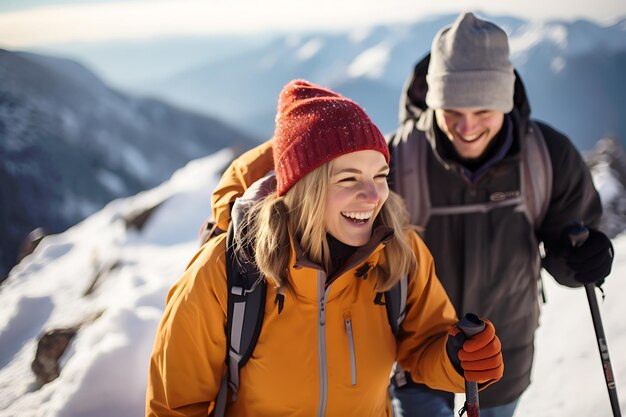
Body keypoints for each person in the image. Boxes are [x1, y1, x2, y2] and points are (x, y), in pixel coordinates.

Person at [204, 13, 614, 417]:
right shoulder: (396, 159)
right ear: (433, 100)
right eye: (451, 109)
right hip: (412, 358)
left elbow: (571, 242)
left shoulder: (548, 156)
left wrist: (584, 258)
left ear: (505, 101)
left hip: (502, 353)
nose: (467, 126)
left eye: (483, 110)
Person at [146, 80, 504, 417]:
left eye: (380, 176)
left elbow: (425, 343)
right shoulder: (226, 271)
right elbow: (176, 406)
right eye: (349, 178)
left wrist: (458, 361)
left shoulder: (399, 251)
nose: (373, 196)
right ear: (304, 189)